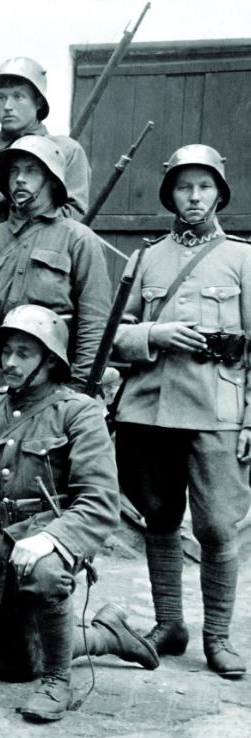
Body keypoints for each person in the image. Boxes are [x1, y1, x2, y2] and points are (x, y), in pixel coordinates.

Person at [0, 306, 156, 723]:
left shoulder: (78, 412)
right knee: (13, 665)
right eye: (6, 351)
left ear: (49, 361)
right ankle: (107, 636)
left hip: (51, 535)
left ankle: (58, 681)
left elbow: (99, 501)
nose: (10, 362)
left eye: (24, 353)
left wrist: (49, 539)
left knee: (44, 574)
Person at [112, 144, 251, 678]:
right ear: (170, 194)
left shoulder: (242, 258)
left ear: (220, 194)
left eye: (204, 187)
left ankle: (218, 637)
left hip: (218, 409)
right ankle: (169, 623)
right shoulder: (147, 257)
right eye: (184, 187)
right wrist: (155, 333)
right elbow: (112, 335)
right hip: (150, 408)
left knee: (217, 525)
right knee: (159, 517)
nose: (194, 197)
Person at [0, 135, 110, 395]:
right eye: (14, 171)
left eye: (31, 171)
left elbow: (94, 323)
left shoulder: (79, 240)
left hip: (49, 381)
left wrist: (79, 388)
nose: (20, 179)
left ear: (52, 180)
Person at [0, 58, 91, 246]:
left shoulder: (66, 151)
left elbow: (73, 220)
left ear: (38, 102)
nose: (8, 106)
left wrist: (9, 200)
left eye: (18, 96)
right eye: (1, 97)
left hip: (38, 256)